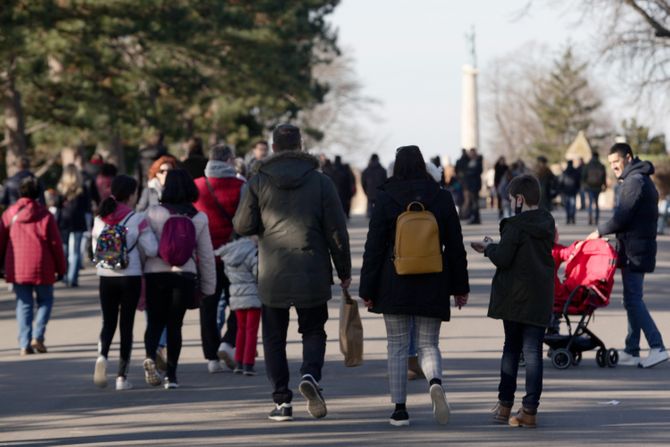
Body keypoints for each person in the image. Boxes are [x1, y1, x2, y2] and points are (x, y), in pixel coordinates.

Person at [233, 123, 351, 422]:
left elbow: (242, 225)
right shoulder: (321, 182)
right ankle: (310, 374)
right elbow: (337, 230)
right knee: (313, 329)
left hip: (273, 270)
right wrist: (344, 270)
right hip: (312, 267)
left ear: (272, 147)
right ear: (301, 146)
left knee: (274, 337)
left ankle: (282, 401)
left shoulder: (258, 181)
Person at [358, 145, 469, 427]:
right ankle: (434, 381)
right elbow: (455, 247)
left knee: (396, 346)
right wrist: (460, 287)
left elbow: (373, 247)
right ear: (423, 165)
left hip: (393, 280)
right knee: (428, 344)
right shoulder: (441, 198)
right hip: (433, 279)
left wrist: (367, 290)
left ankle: (399, 410)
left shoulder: (385, 196)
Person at [472, 174, 555, 428]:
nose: (510, 204)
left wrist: (488, 248)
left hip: (515, 297)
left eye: (511, 199)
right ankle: (529, 410)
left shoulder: (515, 225)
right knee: (533, 353)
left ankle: (504, 404)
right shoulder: (547, 222)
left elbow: (504, 258)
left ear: (519, 199)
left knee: (511, 348)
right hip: (540, 295)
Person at [586, 143, 668, 368]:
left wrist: (598, 232)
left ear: (628, 158)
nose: (613, 167)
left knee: (633, 299)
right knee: (631, 300)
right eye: (610, 163)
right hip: (635, 248)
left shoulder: (634, 182)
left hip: (635, 250)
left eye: (616, 162)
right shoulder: (639, 179)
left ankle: (657, 346)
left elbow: (622, 217)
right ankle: (632, 350)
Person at [143, 169, 216, 389]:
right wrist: (208, 286)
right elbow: (205, 255)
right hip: (185, 275)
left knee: (155, 321)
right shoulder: (199, 217)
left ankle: (150, 356)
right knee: (175, 325)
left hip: (155, 274)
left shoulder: (153, 213)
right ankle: (171, 376)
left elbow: (143, 247)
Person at [92, 175, 158, 390]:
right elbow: (152, 250)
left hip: (105, 276)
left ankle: (102, 357)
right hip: (130, 276)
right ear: (131, 194)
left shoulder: (99, 218)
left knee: (108, 322)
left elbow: (95, 249)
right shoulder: (137, 219)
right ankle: (122, 377)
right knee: (126, 326)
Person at [193, 144, 245, 373]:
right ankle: (228, 341)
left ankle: (211, 357)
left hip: (205, 256)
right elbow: (246, 222)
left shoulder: (197, 186)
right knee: (241, 303)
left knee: (208, 306)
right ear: (230, 160)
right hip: (234, 256)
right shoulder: (241, 186)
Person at [0, 177, 66, 355]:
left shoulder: (9, 214)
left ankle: (24, 344)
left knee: (24, 304)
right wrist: (61, 268)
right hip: (43, 264)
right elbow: (55, 244)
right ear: (38, 193)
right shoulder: (45, 215)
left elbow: (1, 242)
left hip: (17, 265)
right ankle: (38, 336)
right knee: (45, 301)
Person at [217, 235, 260, 376]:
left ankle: (239, 363)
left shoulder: (228, 254)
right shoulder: (252, 253)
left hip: (235, 295)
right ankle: (249, 363)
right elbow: (258, 273)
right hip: (252, 295)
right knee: (251, 331)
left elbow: (227, 275)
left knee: (241, 330)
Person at [57, 164, 91, 288]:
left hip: (64, 221)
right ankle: (73, 277)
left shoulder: (61, 188)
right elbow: (87, 207)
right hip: (78, 220)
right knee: (76, 251)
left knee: (64, 249)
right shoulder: (83, 188)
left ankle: (65, 275)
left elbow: (58, 206)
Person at [582, 152, 607, 225]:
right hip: (598, 187)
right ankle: (596, 219)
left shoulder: (588, 165)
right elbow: (604, 177)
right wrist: (604, 185)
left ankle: (590, 218)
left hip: (589, 186)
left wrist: (584, 185)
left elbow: (583, 176)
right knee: (596, 203)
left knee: (590, 203)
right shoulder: (601, 165)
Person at [558, 160, 581, 225]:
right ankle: (572, 218)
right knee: (573, 205)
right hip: (573, 191)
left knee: (567, 206)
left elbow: (561, 181)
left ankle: (568, 218)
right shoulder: (576, 172)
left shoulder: (565, 172)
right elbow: (578, 181)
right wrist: (577, 188)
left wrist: (560, 189)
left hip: (566, 191)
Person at [464, 148, 483, 224]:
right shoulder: (469, 162)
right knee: (472, 203)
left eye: (472, 153)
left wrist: (470, 172)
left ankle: (476, 218)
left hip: (475, 186)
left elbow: (478, 171)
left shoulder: (478, 162)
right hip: (470, 185)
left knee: (475, 203)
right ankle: (474, 217)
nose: (470, 155)